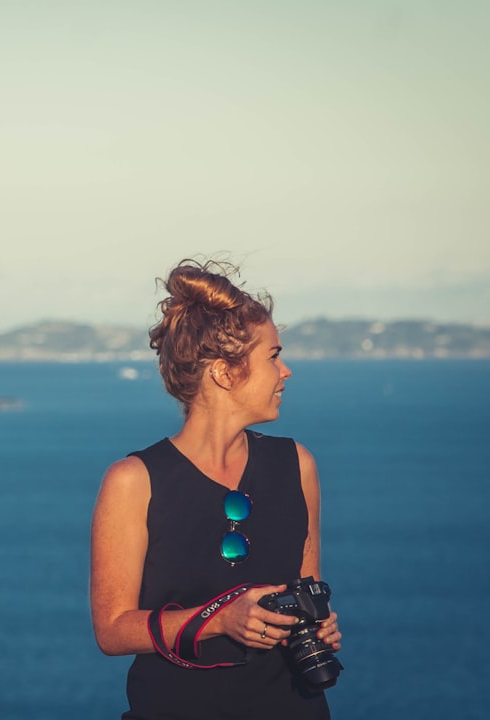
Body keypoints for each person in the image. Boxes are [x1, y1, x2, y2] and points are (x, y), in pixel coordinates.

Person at [90, 259, 342, 720]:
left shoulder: (297, 464)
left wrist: (318, 622)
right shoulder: (133, 481)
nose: (285, 372)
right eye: (272, 356)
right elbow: (112, 630)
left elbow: (308, 588)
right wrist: (220, 618)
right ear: (226, 373)